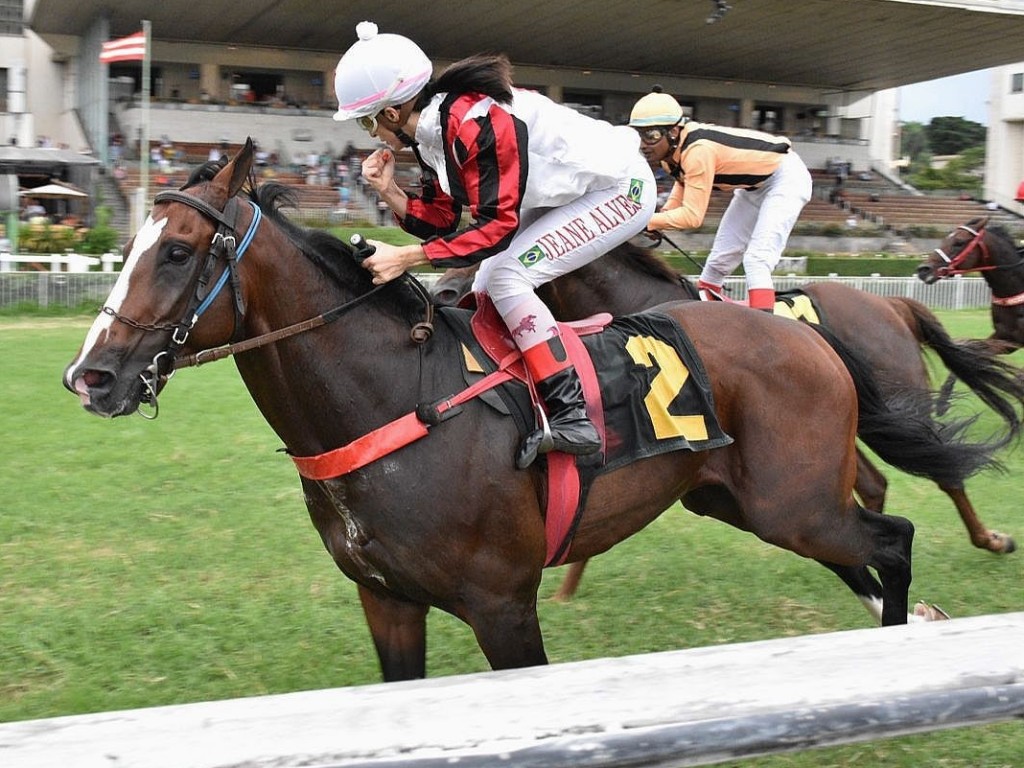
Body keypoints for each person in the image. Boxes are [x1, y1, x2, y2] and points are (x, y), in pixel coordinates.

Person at [332, 21, 656, 464]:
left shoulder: (472, 123)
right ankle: (514, 392)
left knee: (505, 277)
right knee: (485, 283)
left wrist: (406, 258)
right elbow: (444, 220)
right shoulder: (435, 132)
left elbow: (495, 229)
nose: (371, 134)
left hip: (620, 189)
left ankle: (572, 416)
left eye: (368, 122)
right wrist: (390, 191)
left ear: (391, 113)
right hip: (559, 194)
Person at [629, 87, 811, 310]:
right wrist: (659, 219)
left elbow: (692, 217)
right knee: (717, 263)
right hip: (752, 188)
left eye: (652, 135)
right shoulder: (671, 154)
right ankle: (708, 318)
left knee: (756, 261)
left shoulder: (697, 151)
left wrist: (647, 221)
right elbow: (681, 186)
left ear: (674, 132)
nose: (643, 144)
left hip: (786, 178)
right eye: (639, 134)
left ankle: (766, 330)